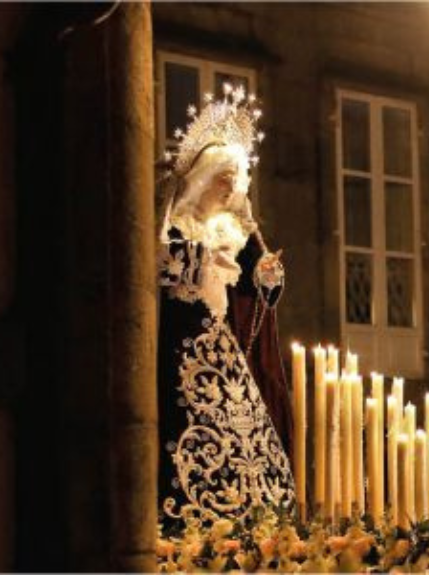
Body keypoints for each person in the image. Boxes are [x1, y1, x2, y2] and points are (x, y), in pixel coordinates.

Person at [155, 85, 295, 531]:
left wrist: (268, 274)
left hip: (227, 343)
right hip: (188, 339)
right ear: (203, 178)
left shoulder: (237, 229)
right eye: (223, 176)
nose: (230, 185)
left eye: (236, 178)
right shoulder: (179, 223)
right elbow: (163, 266)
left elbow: (261, 287)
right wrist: (202, 260)